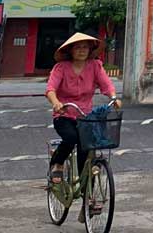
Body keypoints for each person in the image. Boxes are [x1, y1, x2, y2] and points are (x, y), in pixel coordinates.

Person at [45, 32, 121, 186]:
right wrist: (56, 103)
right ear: (71, 50)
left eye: (85, 47)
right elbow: (50, 89)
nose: (82, 50)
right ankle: (57, 164)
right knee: (71, 138)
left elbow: (106, 84)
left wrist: (113, 97)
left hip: (85, 116)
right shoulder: (61, 68)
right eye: (78, 47)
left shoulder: (95, 66)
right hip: (64, 115)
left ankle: (86, 188)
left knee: (86, 146)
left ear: (90, 50)